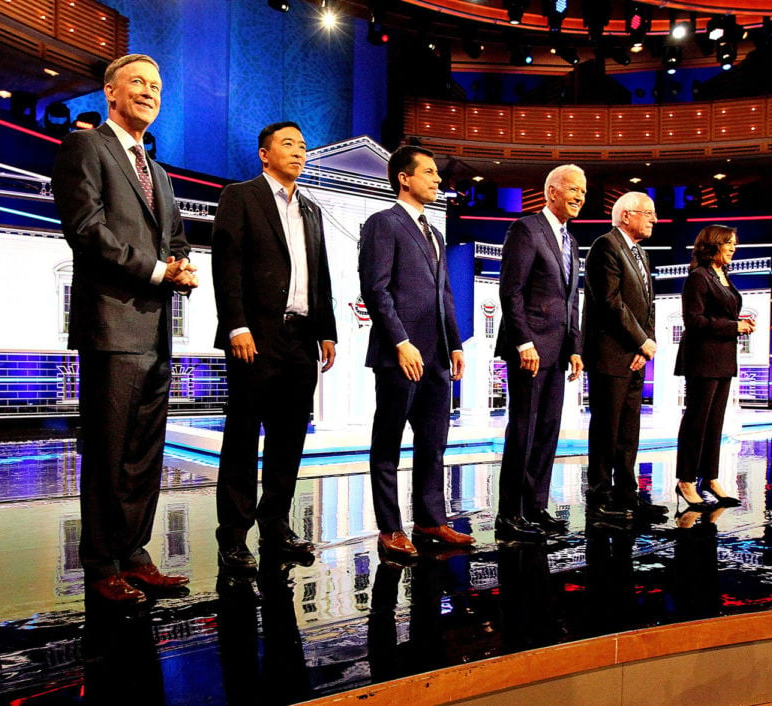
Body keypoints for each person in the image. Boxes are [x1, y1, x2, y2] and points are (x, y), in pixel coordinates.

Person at [52, 54, 197, 603]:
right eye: (138, 82)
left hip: (155, 328)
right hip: (110, 328)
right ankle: (100, 563)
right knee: (110, 453)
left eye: (156, 85)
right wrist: (159, 270)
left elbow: (175, 237)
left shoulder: (156, 169)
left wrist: (181, 266)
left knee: (143, 454)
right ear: (110, 92)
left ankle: (135, 553)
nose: (148, 91)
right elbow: (86, 229)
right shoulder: (85, 147)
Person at [212, 121, 338, 570]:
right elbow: (227, 265)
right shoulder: (240, 196)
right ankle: (233, 537)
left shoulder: (311, 209)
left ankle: (276, 526)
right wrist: (235, 325)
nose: (298, 152)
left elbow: (319, 272)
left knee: (289, 439)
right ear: (264, 154)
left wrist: (327, 330)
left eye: (303, 146)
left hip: (301, 339)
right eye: (288, 144)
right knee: (243, 438)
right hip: (255, 336)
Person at [359, 145, 472, 559]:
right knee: (387, 443)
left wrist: (455, 343)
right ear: (404, 177)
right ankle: (390, 528)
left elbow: (445, 295)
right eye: (429, 172)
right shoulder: (382, 224)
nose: (437, 180)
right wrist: (401, 342)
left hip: (438, 356)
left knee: (433, 443)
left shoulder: (436, 233)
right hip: (399, 355)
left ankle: (430, 519)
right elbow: (376, 289)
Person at [494, 164, 586, 541]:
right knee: (524, 430)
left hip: (558, 351)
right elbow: (511, 290)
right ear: (551, 191)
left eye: (583, 190)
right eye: (574, 189)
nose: (580, 196)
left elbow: (571, 301)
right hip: (529, 349)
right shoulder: (526, 229)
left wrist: (575, 347)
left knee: (548, 431)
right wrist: (524, 342)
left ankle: (535, 507)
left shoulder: (571, 241)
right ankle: (509, 514)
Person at [581, 191, 665, 523]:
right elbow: (611, 302)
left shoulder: (641, 254)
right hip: (609, 353)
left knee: (629, 429)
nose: (654, 219)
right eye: (648, 213)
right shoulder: (606, 246)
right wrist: (641, 341)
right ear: (626, 215)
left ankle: (627, 494)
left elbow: (647, 306)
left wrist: (647, 344)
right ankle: (599, 498)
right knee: (607, 427)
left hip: (635, 354)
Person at [673, 225, 755, 509]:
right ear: (714, 245)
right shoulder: (698, 277)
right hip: (702, 359)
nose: (733, 248)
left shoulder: (723, 276)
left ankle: (709, 477)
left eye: (735, 243)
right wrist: (735, 326)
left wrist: (740, 324)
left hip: (723, 358)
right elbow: (693, 320)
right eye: (729, 243)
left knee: (715, 423)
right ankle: (685, 479)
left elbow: (720, 313)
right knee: (697, 421)